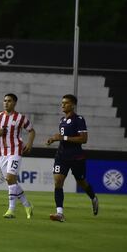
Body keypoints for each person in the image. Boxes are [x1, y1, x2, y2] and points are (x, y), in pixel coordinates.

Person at [44, 94, 99, 222]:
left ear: (73, 105)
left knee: (81, 182)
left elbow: (83, 139)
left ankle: (93, 198)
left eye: (66, 103)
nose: (63, 105)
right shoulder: (62, 120)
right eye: (62, 103)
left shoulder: (79, 119)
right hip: (61, 156)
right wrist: (53, 139)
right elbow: (62, 137)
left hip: (76, 157)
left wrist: (63, 138)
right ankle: (60, 213)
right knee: (58, 182)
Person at [0, 93, 35, 219]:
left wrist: (30, 144)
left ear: (14, 103)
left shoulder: (20, 118)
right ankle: (27, 204)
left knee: (10, 178)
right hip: (1, 153)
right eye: (4, 100)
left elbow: (31, 130)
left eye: (9, 101)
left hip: (15, 151)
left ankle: (11, 210)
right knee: (11, 181)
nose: (6, 103)